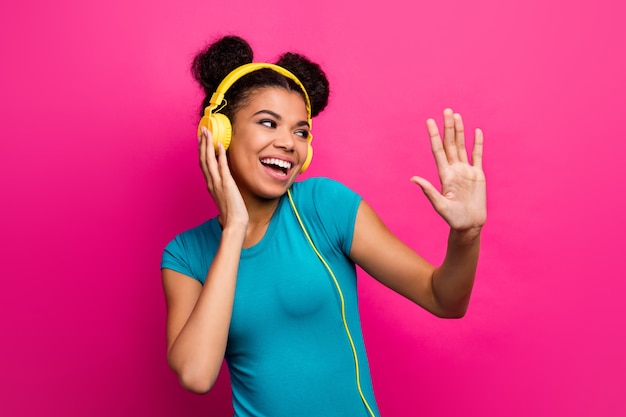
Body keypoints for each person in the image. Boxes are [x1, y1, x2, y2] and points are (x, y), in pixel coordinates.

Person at [161, 35, 486, 417]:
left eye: (301, 132)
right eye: (269, 124)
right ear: (219, 133)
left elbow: (443, 299)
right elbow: (196, 375)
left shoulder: (324, 207)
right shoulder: (184, 255)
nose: (289, 143)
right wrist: (234, 228)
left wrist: (467, 234)